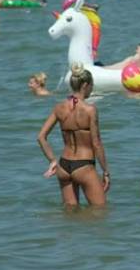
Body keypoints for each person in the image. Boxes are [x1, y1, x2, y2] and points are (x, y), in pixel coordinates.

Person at [37, 64, 110, 207]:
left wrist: (52, 161)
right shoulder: (90, 110)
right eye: (92, 85)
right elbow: (96, 143)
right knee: (100, 212)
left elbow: (41, 137)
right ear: (85, 85)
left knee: (70, 215)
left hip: (64, 166)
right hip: (84, 165)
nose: (92, 88)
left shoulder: (59, 108)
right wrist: (106, 172)